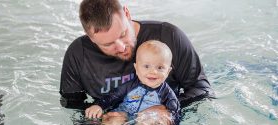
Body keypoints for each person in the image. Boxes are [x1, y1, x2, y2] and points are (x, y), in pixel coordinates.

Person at [59, 0, 215, 109]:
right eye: (108, 44)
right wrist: (100, 118)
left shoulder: (169, 37)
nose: (121, 47)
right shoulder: (78, 54)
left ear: (127, 14)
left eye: (123, 34)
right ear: (90, 38)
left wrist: (165, 109)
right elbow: (71, 104)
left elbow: (202, 90)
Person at [85, 40, 180, 125]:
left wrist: (166, 118)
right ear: (136, 68)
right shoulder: (130, 85)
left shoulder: (167, 94)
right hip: (124, 115)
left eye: (160, 68)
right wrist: (99, 106)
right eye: (146, 66)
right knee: (115, 120)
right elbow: (113, 96)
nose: (153, 72)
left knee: (155, 119)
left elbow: (175, 114)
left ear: (168, 72)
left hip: (145, 120)